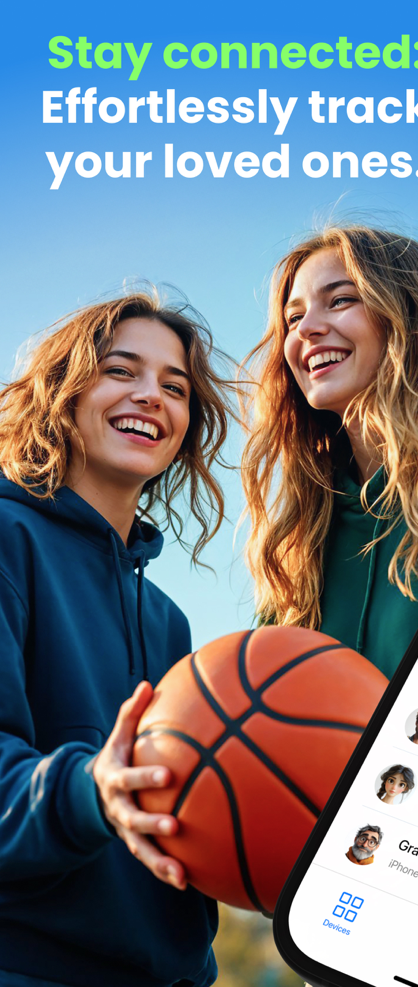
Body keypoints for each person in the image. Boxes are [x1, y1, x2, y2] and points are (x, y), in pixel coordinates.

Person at [0, 290, 233, 987]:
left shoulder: (167, 620)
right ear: (61, 394)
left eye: (175, 386)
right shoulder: (9, 542)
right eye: (121, 370)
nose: (151, 395)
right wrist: (87, 792)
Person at [241, 225, 418, 679]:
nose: (306, 329)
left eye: (341, 299)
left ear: (414, 314)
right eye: (292, 318)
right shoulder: (298, 538)